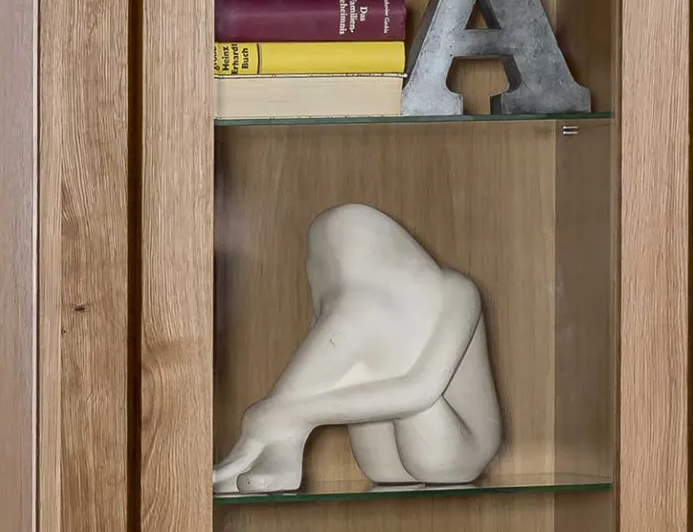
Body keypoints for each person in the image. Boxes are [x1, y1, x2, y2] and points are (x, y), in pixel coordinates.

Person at [213, 203, 502, 495]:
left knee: (367, 317)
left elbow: (421, 391)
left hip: (458, 451)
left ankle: (272, 432)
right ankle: (273, 443)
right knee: (355, 321)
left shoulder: (456, 290)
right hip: (381, 463)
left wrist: (289, 413)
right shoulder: (346, 307)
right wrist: (285, 413)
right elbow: (328, 364)